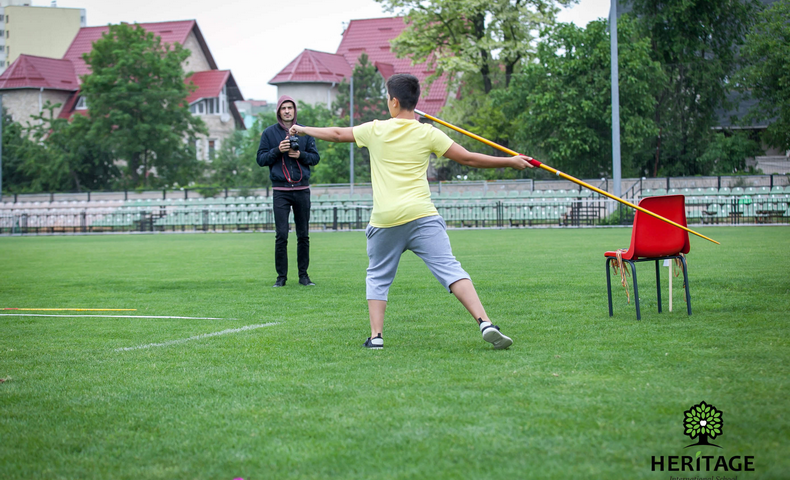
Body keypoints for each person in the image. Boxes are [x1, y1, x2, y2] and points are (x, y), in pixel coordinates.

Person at [290, 74, 533, 349]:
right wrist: (510, 162)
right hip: (422, 216)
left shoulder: (375, 129)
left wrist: (304, 129)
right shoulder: (429, 133)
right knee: (451, 269)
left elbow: (336, 134)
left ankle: (376, 337)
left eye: (387, 98)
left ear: (394, 101)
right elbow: (468, 158)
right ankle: (485, 322)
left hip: (386, 220)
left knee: (378, 276)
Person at [257, 96, 320, 287]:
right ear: (278, 111)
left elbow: (315, 158)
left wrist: (300, 155)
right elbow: (261, 159)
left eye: (290, 108)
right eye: (283, 108)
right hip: (280, 191)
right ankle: (281, 277)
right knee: (281, 235)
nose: (287, 111)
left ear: (294, 110)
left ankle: (304, 276)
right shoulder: (269, 133)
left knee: (303, 235)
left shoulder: (305, 132)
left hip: (302, 190)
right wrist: (278, 150)